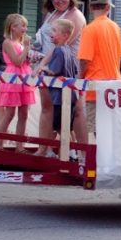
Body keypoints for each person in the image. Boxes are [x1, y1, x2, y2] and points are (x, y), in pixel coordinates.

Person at [33, 0, 87, 147]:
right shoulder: (51, 13)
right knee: (47, 109)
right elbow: (43, 40)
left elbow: (62, 45)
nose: (60, 1)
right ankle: (46, 149)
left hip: (66, 69)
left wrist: (41, 64)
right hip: (48, 68)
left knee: (72, 112)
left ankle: (81, 152)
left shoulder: (75, 16)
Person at [78, 0, 121, 138]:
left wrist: (79, 78)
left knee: (97, 131)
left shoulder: (89, 29)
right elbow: (119, 55)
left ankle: (100, 161)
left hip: (95, 86)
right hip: (114, 84)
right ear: (108, 8)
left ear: (90, 8)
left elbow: (84, 59)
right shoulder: (116, 28)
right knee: (111, 129)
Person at [40, 18, 86, 150]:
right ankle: (73, 152)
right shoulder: (69, 51)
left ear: (65, 35)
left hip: (58, 97)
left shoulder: (58, 51)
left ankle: (48, 151)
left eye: (54, 30)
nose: (51, 32)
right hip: (70, 96)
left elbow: (54, 71)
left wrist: (43, 69)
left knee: (56, 126)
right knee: (65, 126)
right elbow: (75, 71)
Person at [0, 13, 37, 150]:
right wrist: (26, 48)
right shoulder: (7, 43)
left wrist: (30, 55)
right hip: (13, 77)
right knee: (10, 113)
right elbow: (17, 61)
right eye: (23, 26)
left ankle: (20, 145)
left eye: (26, 26)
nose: (25, 29)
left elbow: (24, 60)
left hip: (25, 76)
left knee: (24, 113)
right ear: (13, 27)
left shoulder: (20, 43)